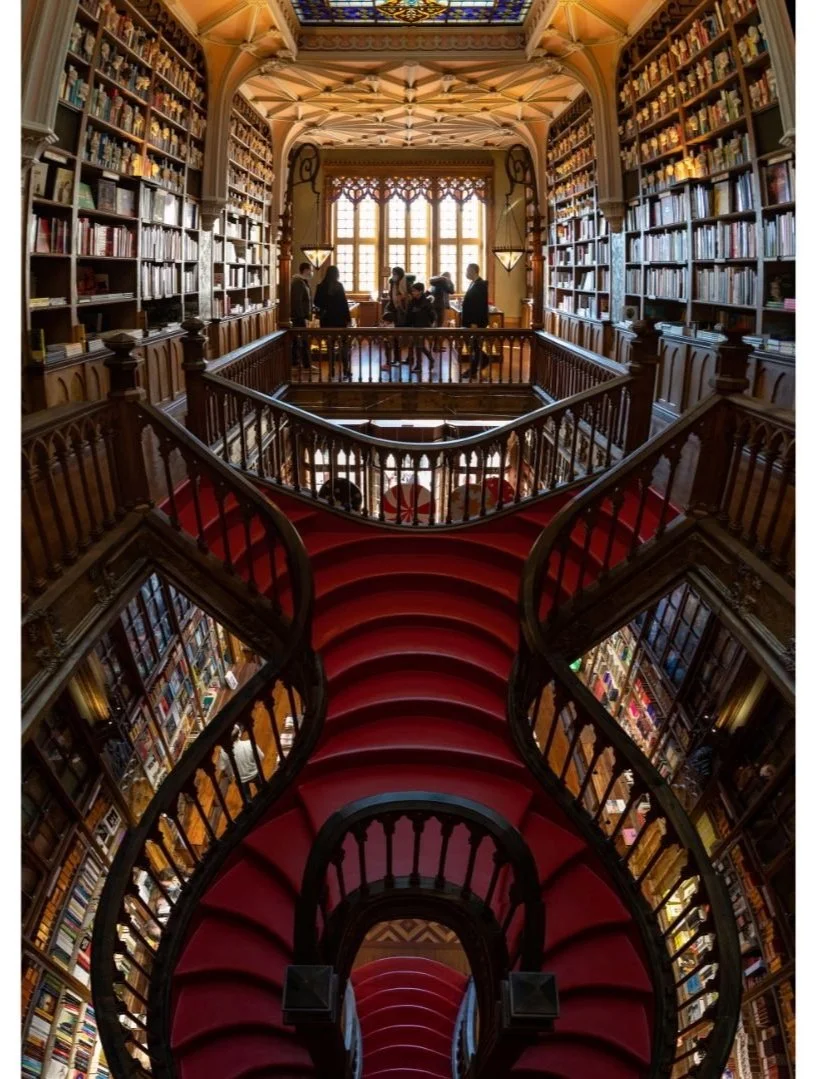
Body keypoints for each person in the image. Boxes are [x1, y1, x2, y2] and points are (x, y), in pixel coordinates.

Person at [314, 265, 352, 380]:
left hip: (326, 320)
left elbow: (316, 302)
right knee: (344, 346)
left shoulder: (320, 286)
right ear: (337, 274)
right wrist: (348, 319)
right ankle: (346, 370)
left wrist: (326, 306)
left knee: (330, 347)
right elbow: (344, 304)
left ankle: (331, 371)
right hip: (340, 320)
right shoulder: (339, 286)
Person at [459, 263, 489, 380]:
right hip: (469, 321)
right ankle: (484, 360)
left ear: (473, 271)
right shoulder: (474, 283)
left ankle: (473, 370)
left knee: (474, 346)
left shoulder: (480, 285)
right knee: (473, 347)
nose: (466, 273)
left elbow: (480, 306)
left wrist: (475, 323)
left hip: (474, 322)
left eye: (467, 270)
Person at [218, 725, 262, 804]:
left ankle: (250, 807)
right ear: (240, 733)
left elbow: (222, 767)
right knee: (263, 791)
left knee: (247, 799)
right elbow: (261, 757)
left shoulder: (224, 752)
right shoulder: (249, 744)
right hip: (254, 773)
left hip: (241, 779)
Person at [405, 282, 436, 375]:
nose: (412, 292)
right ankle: (427, 361)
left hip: (423, 327)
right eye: (412, 291)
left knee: (419, 346)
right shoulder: (412, 301)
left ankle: (420, 365)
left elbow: (432, 315)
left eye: (414, 291)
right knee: (418, 346)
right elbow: (409, 314)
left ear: (420, 291)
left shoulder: (426, 302)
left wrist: (428, 324)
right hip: (414, 326)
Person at [290, 261, 313, 370]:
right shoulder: (298, 282)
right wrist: (303, 318)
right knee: (303, 342)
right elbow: (297, 301)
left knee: (298, 342)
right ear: (306, 270)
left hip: (301, 317)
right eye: (311, 270)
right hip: (299, 318)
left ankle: (298, 364)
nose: (312, 272)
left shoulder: (302, 282)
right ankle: (305, 365)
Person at [429, 271, 455, 351]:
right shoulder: (443, 282)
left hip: (434, 305)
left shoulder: (435, 282)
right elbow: (451, 291)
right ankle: (436, 347)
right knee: (438, 326)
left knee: (436, 326)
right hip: (440, 306)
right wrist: (450, 282)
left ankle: (435, 346)